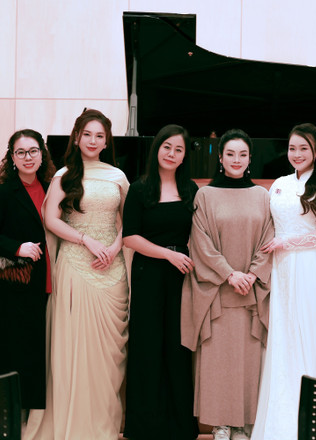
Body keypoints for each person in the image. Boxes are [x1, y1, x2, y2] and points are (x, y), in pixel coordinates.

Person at [24, 109, 130, 440]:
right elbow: (51, 220)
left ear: (107, 141)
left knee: (108, 358)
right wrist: (86, 240)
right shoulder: (65, 175)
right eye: (88, 134)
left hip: (112, 267)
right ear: (77, 137)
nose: (93, 141)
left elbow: (130, 219)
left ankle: (103, 421)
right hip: (76, 266)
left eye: (100, 136)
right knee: (74, 351)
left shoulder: (118, 176)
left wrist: (114, 246)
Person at [181, 129, 274, 440]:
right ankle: (221, 423)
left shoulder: (262, 196)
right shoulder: (205, 195)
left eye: (242, 154)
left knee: (249, 358)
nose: (236, 160)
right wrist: (229, 274)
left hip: (251, 292)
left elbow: (269, 239)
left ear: (250, 159)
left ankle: (245, 422)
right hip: (218, 291)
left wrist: (252, 274)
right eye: (230, 154)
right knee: (218, 359)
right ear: (220, 158)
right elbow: (200, 242)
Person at [251, 123, 316, 440]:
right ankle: (280, 417)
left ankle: (313, 417)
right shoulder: (278, 185)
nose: (297, 154)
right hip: (281, 269)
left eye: (304, 148)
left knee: (308, 331)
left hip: (310, 268)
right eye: (292, 148)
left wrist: (287, 242)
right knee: (283, 334)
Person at [122, 124, 199, 440]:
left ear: (184, 156)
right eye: (167, 147)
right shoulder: (139, 189)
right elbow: (130, 237)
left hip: (181, 277)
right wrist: (168, 254)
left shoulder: (191, 189)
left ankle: (179, 427)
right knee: (147, 346)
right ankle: (145, 427)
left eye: (178, 149)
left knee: (177, 348)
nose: (172, 153)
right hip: (149, 273)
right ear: (157, 149)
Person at [0, 129, 55, 414]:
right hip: (12, 286)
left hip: (45, 281)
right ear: (12, 158)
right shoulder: (1, 194)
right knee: (10, 353)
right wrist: (17, 248)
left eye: (33, 151)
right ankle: (3, 417)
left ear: (42, 154)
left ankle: (33, 420)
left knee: (35, 352)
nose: (28, 157)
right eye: (21, 152)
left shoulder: (53, 188)